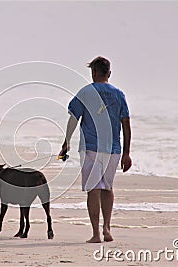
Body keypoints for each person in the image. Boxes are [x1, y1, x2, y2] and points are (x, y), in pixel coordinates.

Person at [59, 56, 132, 243]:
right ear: (109, 73)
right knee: (107, 188)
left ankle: (96, 234)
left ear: (93, 73)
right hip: (113, 149)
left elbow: (73, 118)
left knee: (93, 189)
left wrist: (66, 142)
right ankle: (107, 229)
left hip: (91, 148)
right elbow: (126, 124)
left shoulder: (85, 92)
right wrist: (126, 153)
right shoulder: (119, 94)